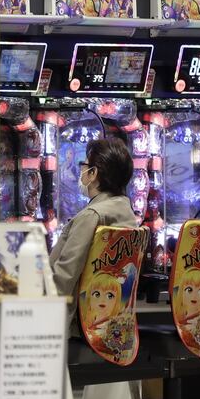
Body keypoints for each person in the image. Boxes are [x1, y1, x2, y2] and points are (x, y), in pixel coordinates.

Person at [50, 138, 137, 335]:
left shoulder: (92, 215)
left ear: (94, 173)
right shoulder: (127, 211)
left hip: (75, 323)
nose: (82, 171)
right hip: (112, 317)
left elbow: (64, 276)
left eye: (85, 166)